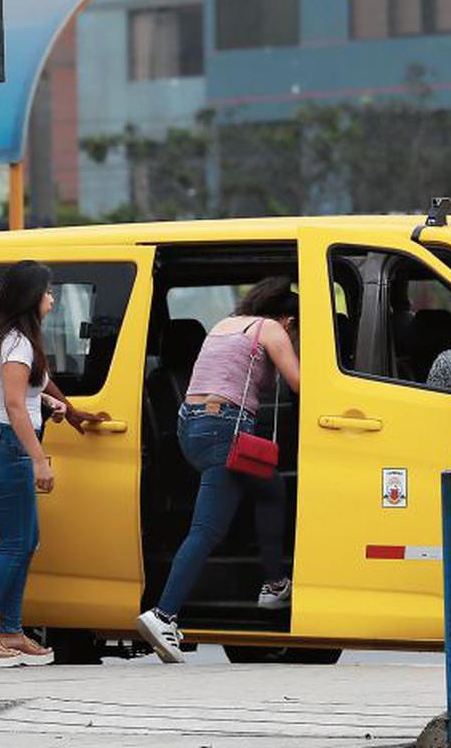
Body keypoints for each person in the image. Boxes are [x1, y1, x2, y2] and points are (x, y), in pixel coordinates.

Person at [136, 276, 301, 664]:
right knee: (206, 529)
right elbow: (299, 382)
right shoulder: (273, 328)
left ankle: (274, 583)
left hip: (190, 426)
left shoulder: (226, 325)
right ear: (289, 319)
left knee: (269, 489)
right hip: (223, 427)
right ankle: (163, 615)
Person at [0, 260, 64, 667]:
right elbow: (12, 404)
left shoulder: (5, 337)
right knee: (17, 543)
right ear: (31, 297)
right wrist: (40, 460)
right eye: (47, 292)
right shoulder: (18, 343)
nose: (51, 299)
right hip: (6, 447)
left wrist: (49, 401)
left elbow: (16, 398)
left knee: (25, 541)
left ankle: (10, 630)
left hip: (0, 443)